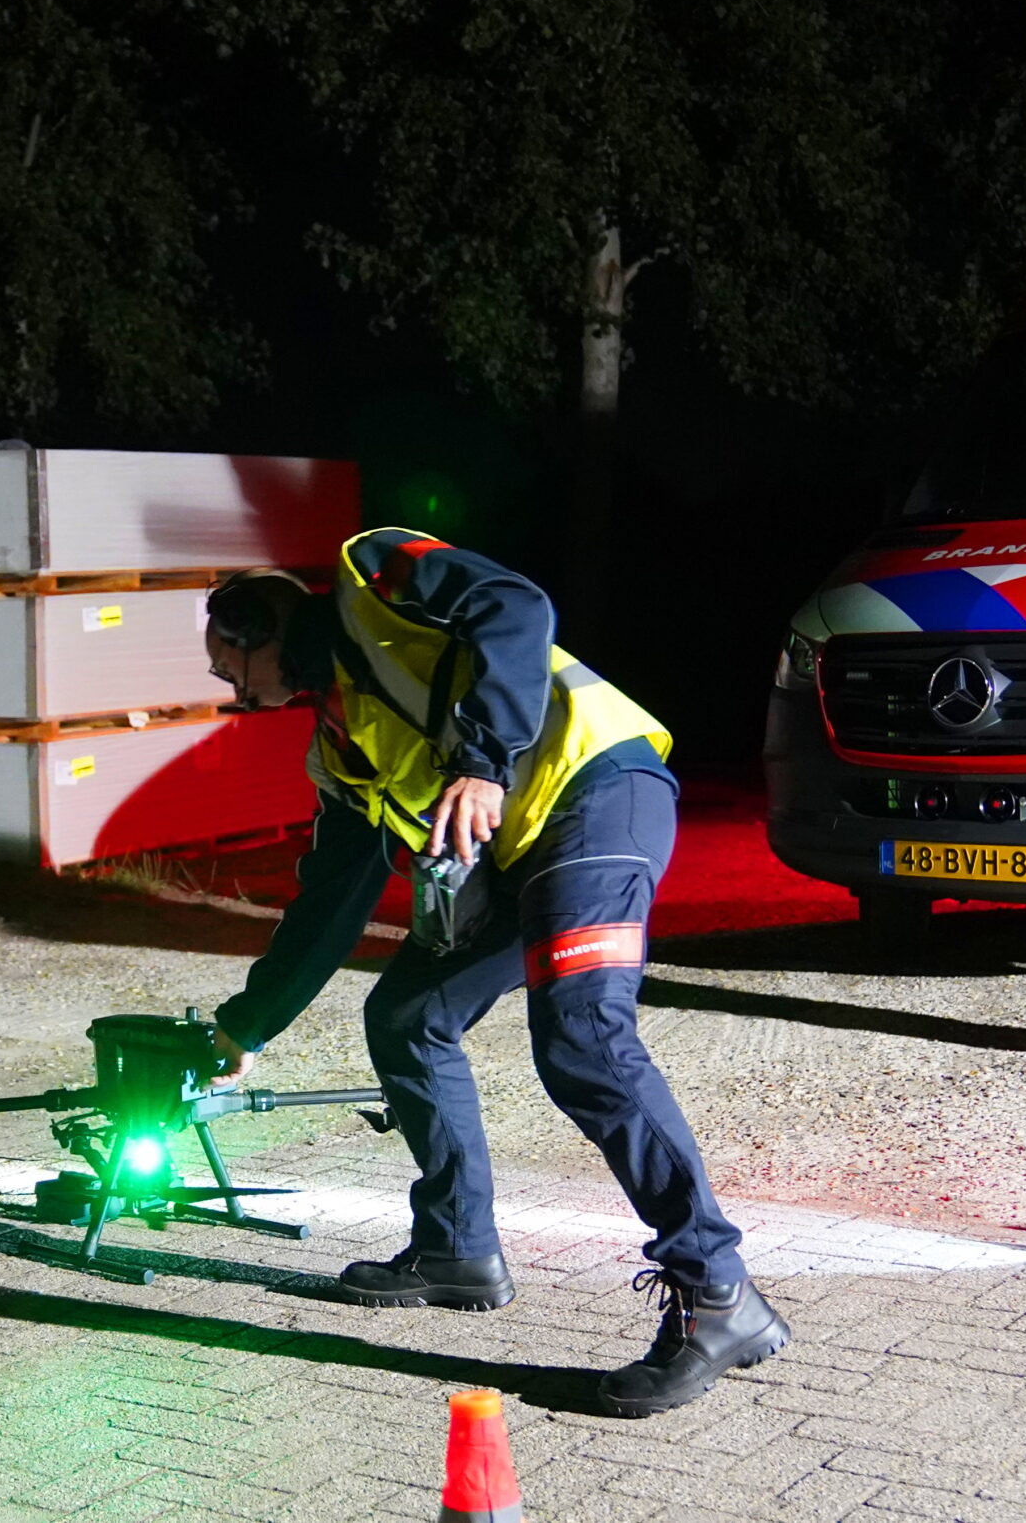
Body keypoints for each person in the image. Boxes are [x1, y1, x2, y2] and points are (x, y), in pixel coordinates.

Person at [199, 529, 788, 1416]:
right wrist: (243, 1027)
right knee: (405, 1015)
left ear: (260, 627)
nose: (235, 693)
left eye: (229, 667)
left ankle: (718, 1295)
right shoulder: (338, 749)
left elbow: (515, 606)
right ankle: (456, 1250)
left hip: (597, 793)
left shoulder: (374, 572)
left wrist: (481, 762)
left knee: (583, 1035)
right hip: (521, 858)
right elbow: (328, 906)